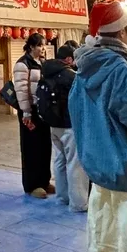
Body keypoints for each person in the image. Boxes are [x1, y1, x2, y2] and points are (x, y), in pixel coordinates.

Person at [69, 2, 127, 252]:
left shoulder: (80, 73)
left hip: (99, 176)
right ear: (123, 33)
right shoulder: (124, 74)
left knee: (105, 247)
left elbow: (77, 117)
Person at [37, 44, 89, 212]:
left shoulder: (46, 73)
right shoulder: (71, 76)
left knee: (59, 160)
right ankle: (78, 203)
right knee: (75, 163)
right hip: (69, 126)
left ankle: (62, 197)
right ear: (68, 59)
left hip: (53, 125)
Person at [13, 32, 53, 198]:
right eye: (39, 45)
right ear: (31, 46)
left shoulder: (42, 63)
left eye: (43, 45)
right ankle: (32, 184)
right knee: (32, 148)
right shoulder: (22, 65)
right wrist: (27, 112)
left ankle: (44, 181)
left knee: (45, 146)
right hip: (29, 111)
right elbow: (21, 91)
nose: (42, 48)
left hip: (42, 111)